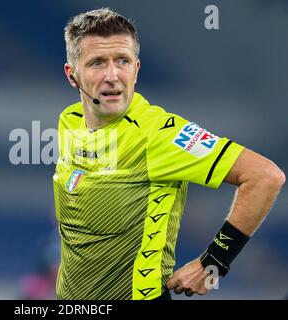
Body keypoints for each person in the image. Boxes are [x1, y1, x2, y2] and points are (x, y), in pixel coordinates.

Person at [52, 8, 285, 300]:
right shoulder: (70, 121)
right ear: (72, 75)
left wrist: (213, 262)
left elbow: (265, 176)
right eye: (97, 63)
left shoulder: (161, 133)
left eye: (121, 61)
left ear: (136, 69)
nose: (112, 76)